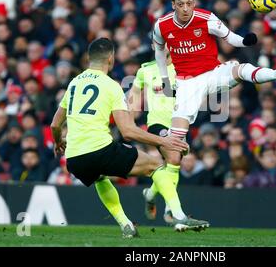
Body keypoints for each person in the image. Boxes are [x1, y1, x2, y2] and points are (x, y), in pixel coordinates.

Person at [50, 38, 208, 238]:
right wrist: (164, 141)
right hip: (100, 150)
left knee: (100, 178)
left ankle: (126, 225)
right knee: (155, 165)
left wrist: (58, 143)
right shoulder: (111, 85)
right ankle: (178, 215)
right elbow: (128, 131)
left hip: (73, 159)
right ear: (111, 58)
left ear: (90, 58)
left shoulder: (73, 83)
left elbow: (55, 124)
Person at [152, 0, 276, 186]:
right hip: (187, 84)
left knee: (240, 69)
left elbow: (229, 36)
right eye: (180, 4)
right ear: (173, 5)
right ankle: (153, 191)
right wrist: (164, 81)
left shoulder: (206, 18)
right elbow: (159, 52)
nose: (186, 8)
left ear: (194, 2)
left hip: (213, 72)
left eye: (189, 3)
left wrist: (245, 41)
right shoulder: (161, 26)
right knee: (174, 147)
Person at [128, 49, 179, 224]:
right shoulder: (146, 70)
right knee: (174, 156)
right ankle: (170, 211)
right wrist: (130, 114)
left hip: (180, 124)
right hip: (157, 124)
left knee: (172, 164)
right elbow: (134, 92)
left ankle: (150, 194)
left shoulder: (183, 68)